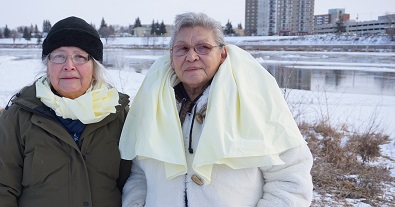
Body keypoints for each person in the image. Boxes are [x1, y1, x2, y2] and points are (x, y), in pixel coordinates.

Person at [119, 12, 313, 207]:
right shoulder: (154, 102)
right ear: (171, 57)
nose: (191, 56)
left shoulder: (253, 101)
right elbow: (139, 175)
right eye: (182, 48)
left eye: (203, 47)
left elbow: (291, 179)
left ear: (222, 54)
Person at [0, 16, 131, 207]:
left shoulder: (118, 115)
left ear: (93, 68)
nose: (69, 65)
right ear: (47, 66)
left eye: (79, 56)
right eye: (59, 56)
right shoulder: (19, 117)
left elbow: (132, 184)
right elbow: (3, 188)